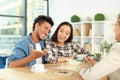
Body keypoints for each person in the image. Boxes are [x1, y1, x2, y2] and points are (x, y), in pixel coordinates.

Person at [79, 14, 120, 80]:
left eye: (116, 25)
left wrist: (81, 70)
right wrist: (96, 64)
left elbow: (89, 76)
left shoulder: (118, 49)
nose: (114, 30)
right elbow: (115, 70)